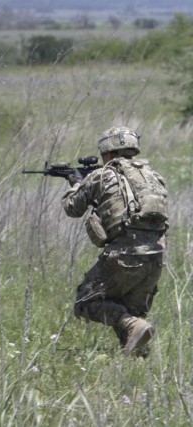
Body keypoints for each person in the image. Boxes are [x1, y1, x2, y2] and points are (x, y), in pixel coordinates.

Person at [62, 126, 168, 357]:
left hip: (125, 254)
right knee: (131, 313)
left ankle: (134, 327)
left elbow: (72, 207)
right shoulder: (153, 176)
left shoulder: (101, 175)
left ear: (108, 153)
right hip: (156, 257)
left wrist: (76, 183)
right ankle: (136, 366)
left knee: (85, 302)